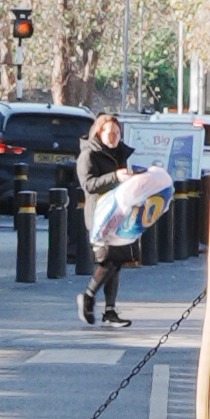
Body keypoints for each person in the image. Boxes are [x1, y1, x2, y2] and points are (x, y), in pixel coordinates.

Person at [75, 98, 135, 327]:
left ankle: (110, 310)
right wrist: (115, 177)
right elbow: (88, 184)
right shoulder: (88, 155)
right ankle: (88, 297)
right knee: (108, 259)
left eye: (117, 134)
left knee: (118, 260)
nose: (114, 138)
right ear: (99, 133)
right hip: (99, 214)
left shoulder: (120, 154)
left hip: (119, 213)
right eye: (110, 133)